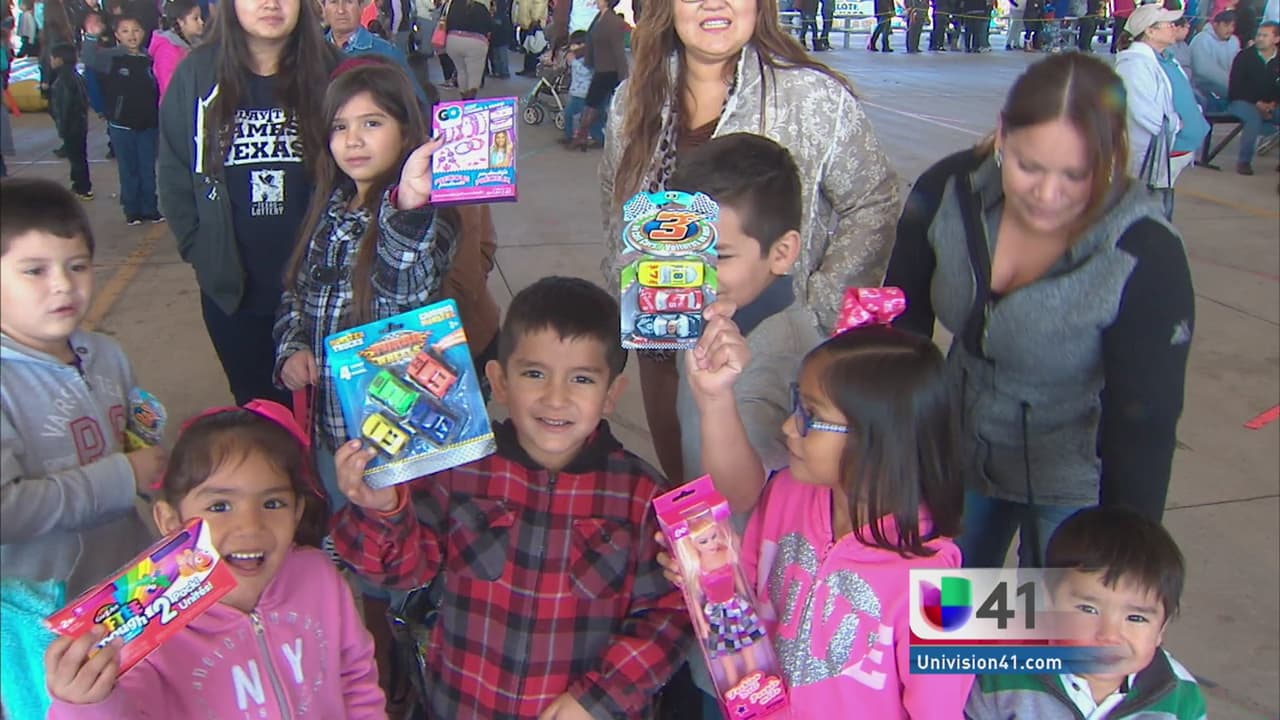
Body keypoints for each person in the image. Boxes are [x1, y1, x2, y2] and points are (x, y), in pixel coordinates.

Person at [329, 276, 690, 719]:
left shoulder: (643, 497)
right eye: (534, 374)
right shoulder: (456, 471)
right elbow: (400, 572)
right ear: (499, 382)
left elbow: (669, 614)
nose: (555, 398)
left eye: (581, 379)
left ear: (611, 394)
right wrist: (383, 509)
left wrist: (600, 698)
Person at [886, 53, 1194, 569]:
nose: (1047, 195)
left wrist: (1125, 551)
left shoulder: (1144, 252)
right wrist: (890, 447)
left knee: (1051, 613)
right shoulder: (949, 191)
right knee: (946, 606)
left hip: (1070, 484)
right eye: (1028, 166)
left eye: (1076, 175)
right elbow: (902, 322)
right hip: (957, 461)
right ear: (1002, 134)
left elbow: (1144, 421)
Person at [600, 0, 898, 486]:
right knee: (693, 495)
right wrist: (628, 293)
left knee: (760, 502)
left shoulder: (813, 97)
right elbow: (615, 203)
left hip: (763, 349)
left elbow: (874, 200)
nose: (714, 3)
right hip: (665, 343)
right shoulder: (632, 100)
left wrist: (818, 307)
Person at [662, 307, 973, 717]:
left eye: (810, 415)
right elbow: (744, 606)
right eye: (796, 405)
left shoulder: (947, 590)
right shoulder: (786, 493)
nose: (789, 427)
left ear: (877, 440)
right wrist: (708, 576)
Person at [43, 401, 387, 717]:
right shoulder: (143, 626)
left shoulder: (318, 576)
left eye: (273, 503)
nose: (250, 526)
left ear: (297, 512)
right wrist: (84, 703)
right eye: (219, 506)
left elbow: (355, 678)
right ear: (170, 521)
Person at [663, 133, 824, 716]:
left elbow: (742, 495)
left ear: (782, 252)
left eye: (720, 257)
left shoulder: (781, 357)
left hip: (748, 610)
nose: (697, 272)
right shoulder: (716, 322)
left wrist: (715, 400)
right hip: (707, 576)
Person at [157, 0, 341, 408]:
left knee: (331, 417)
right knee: (259, 414)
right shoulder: (195, 75)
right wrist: (201, 250)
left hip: (325, 297)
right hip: (236, 299)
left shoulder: (334, 73)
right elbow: (173, 171)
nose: (271, 3)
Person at [0, 178, 161, 598]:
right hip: (41, 610)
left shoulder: (106, 354)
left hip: (129, 581)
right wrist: (123, 476)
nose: (63, 284)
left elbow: (137, 440)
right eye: (35, 270)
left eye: (77, 266)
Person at [965, 506, 1208, 719]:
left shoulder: (1180, 697)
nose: (1109, 635)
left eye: (1136, 618)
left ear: (1161, 629)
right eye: (1088, 609)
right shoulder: (1000, 674)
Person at [84, 13, 164, 225]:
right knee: (129, 170)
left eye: (136, 30)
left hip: (148, 126)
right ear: (117, 35)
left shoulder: (150, 58)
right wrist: (91, 37)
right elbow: (89, 58)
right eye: (125, 31)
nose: (132, 35)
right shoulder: (111, 58)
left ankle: (150, 208)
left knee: (147, 169)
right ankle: (132, 210)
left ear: (144, 32)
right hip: (122, 126)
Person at [1116, 3, 1189, 214]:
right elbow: (1144, 113)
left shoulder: (1160, 60)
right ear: (1150, 31)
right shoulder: (1134, 66)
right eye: (1168, 24)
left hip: (1163, 154)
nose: (1174, 27)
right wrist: (1176, 124)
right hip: (1148, 155)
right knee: (1140, 211)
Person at [569, 0, 626, 150]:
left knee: (593, 105)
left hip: (609, 70)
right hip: (601, 67)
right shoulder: (599, 18)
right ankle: (583, 137)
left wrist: (624, 77)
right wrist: (579, 54)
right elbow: (591, 42)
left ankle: (581, 137)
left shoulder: (614, 22)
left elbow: (619, 51)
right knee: (592, 104)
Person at [1226, 20, 1280, 174]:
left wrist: (1273, 103)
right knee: (1253, 119)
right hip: (1241, 101)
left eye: (1265, 35)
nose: (1260, 38)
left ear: (1276, 39)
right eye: (1258, 35)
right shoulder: (1244, 57)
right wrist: (1257, 103)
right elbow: (1236, 87)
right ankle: (1244, 162)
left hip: (1271, 103)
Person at [48, 43, 91, 200]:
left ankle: (82, 188)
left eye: (52, 58)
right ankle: (79, 185)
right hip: (80, 124)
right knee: (79, 156)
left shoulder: (62, 81)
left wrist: (62, 127)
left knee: (76, 158)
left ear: (59, 60)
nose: (50, 61)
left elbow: (64, 107)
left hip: (71, 126)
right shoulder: (77, 76)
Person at [148, 0, 204, 103]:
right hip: (177, 107)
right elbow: (168, 89)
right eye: (195, 18)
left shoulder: (198, 44)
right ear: (181, 21)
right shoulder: (166, 50)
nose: (201, 22)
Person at [1190, 9, 1240, 109]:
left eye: (1232, 26)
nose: (1230, 29)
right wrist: (1230, 83)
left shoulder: (1234, 41)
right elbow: (1202, 69)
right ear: (1215, 24)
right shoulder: (1201, 39)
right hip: (1204, 89)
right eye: (1226, 25)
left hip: (1231, 89)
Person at [444, 0, 492, 99]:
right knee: (474, 75)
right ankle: (469, 101)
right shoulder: (481, 7)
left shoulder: (454, 4)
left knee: (461, 71)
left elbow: (447, 22)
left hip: (453, 41)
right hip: (475, 43)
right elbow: (490, 26)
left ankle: (463, 97)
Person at [560, 29, 595, 145]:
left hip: (584, 93)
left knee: (581, 117)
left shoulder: (588, 58)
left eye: (574, 44)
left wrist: (573, 62)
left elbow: (586, 72)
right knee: (568, 113)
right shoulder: (577, 57)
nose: (572, 47)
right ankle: (569, 136)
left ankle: (581, 137)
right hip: (576, 92)